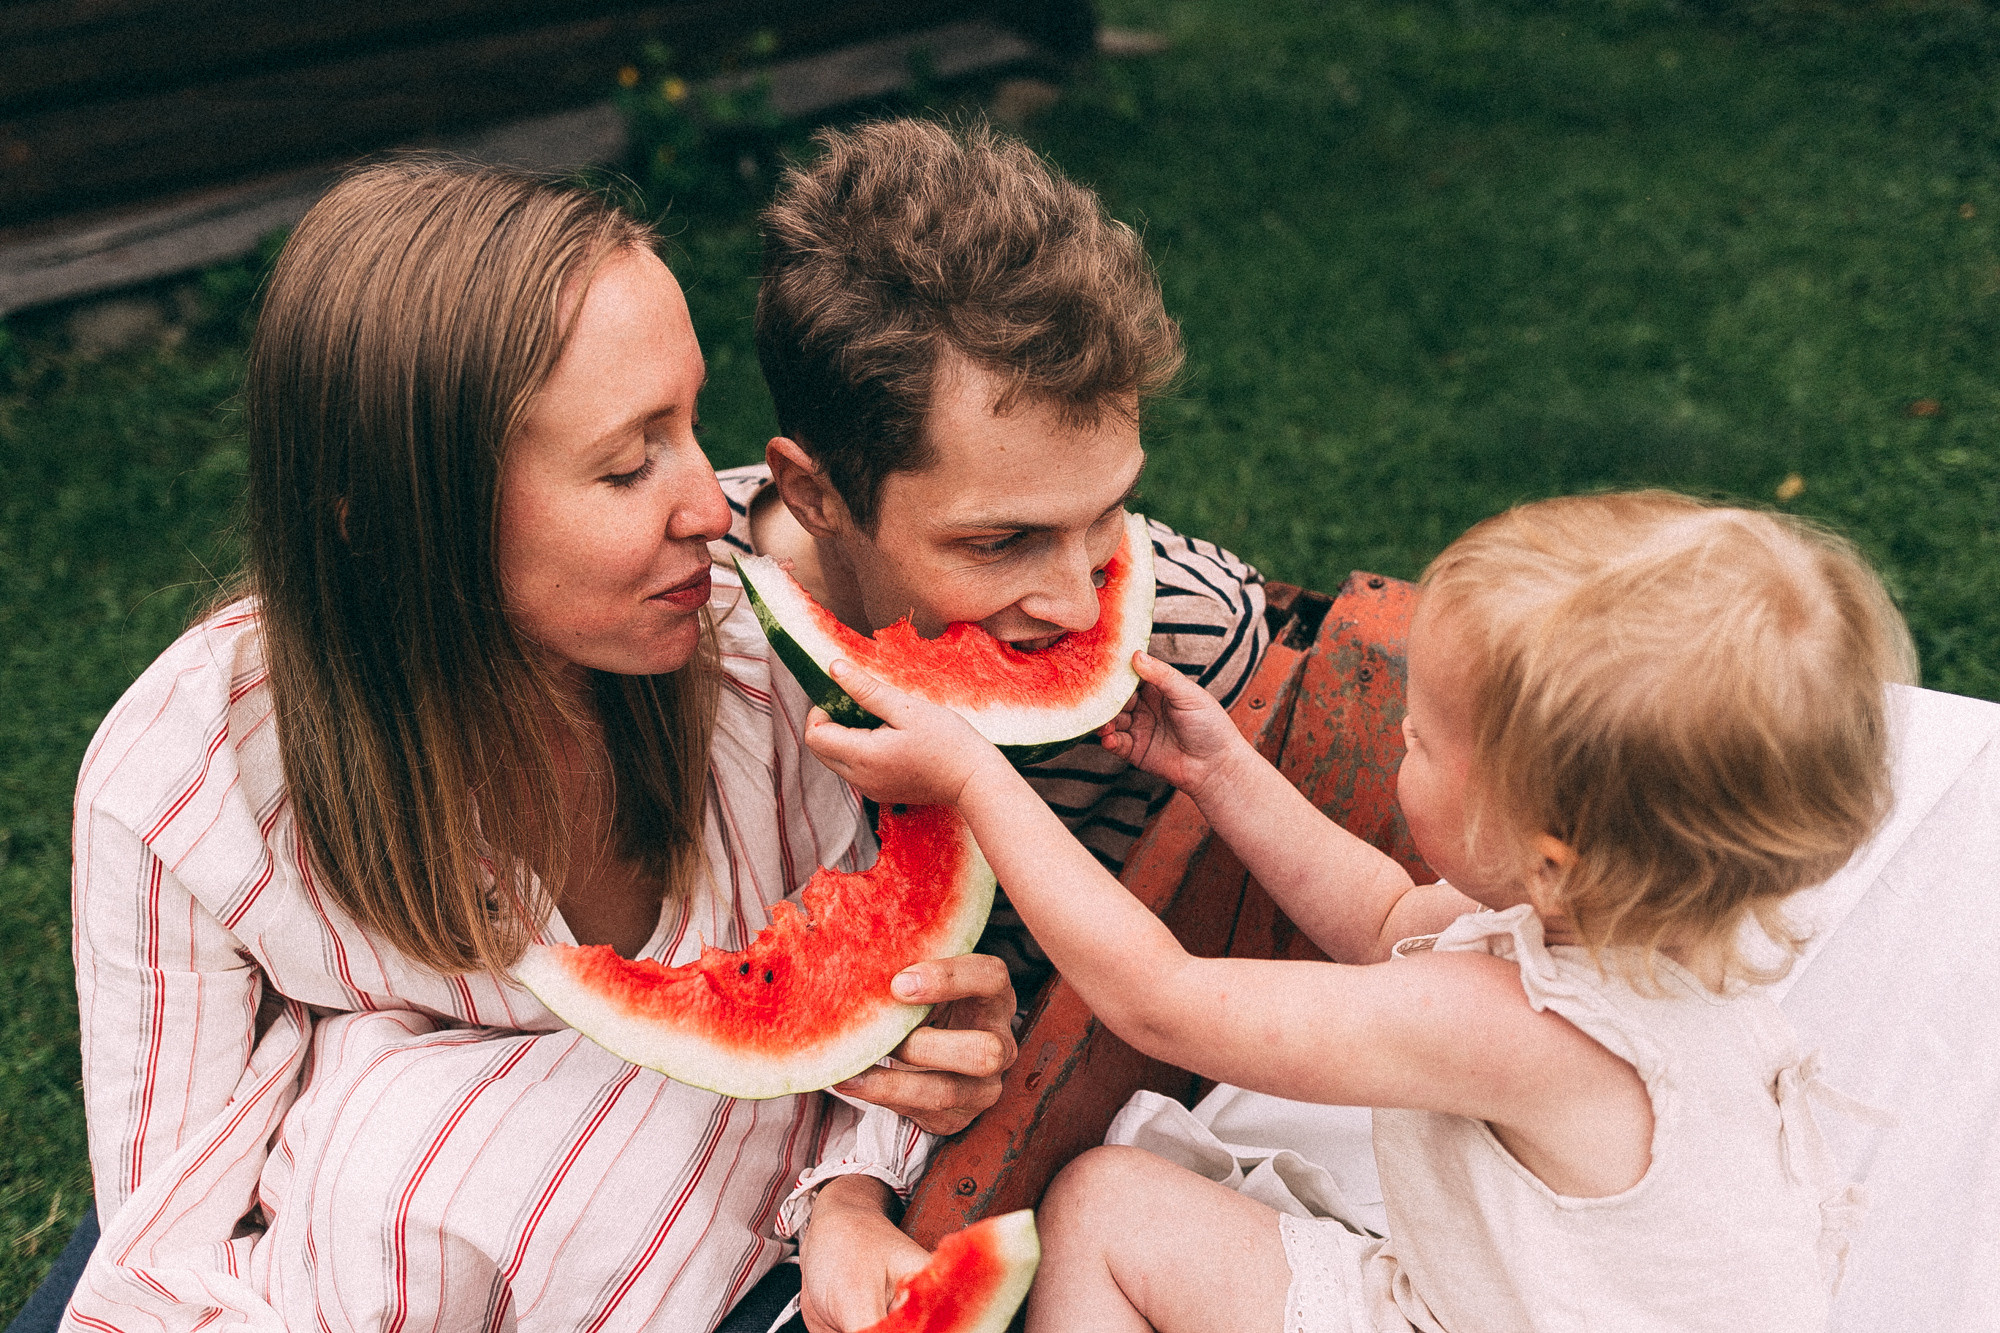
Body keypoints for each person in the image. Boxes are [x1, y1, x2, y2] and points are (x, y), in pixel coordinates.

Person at [65, 158, 1015, 1333]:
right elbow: (166, 1253)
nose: (711, 509)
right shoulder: (180, 780)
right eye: (627, 464)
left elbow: (850, 1001)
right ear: (399, 520)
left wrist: (873, 1148)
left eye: (688, 424)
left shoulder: (720, 641)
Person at [803, 491, 1915, 1333]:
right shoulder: (1660, 937)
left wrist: (976, 781)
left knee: (1100, 1208)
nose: (1396, 744)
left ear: (1546, 850)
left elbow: (1160, 1000)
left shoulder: (1507, 1030)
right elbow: (1389, 918)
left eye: (1424, 741)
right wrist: (1225, 773)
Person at [711, 118, 1271, 1006]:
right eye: (1000, 541)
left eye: (1106, 513)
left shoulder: (1198, 651)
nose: (1082, 611)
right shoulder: (668, 633)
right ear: (816, 496)